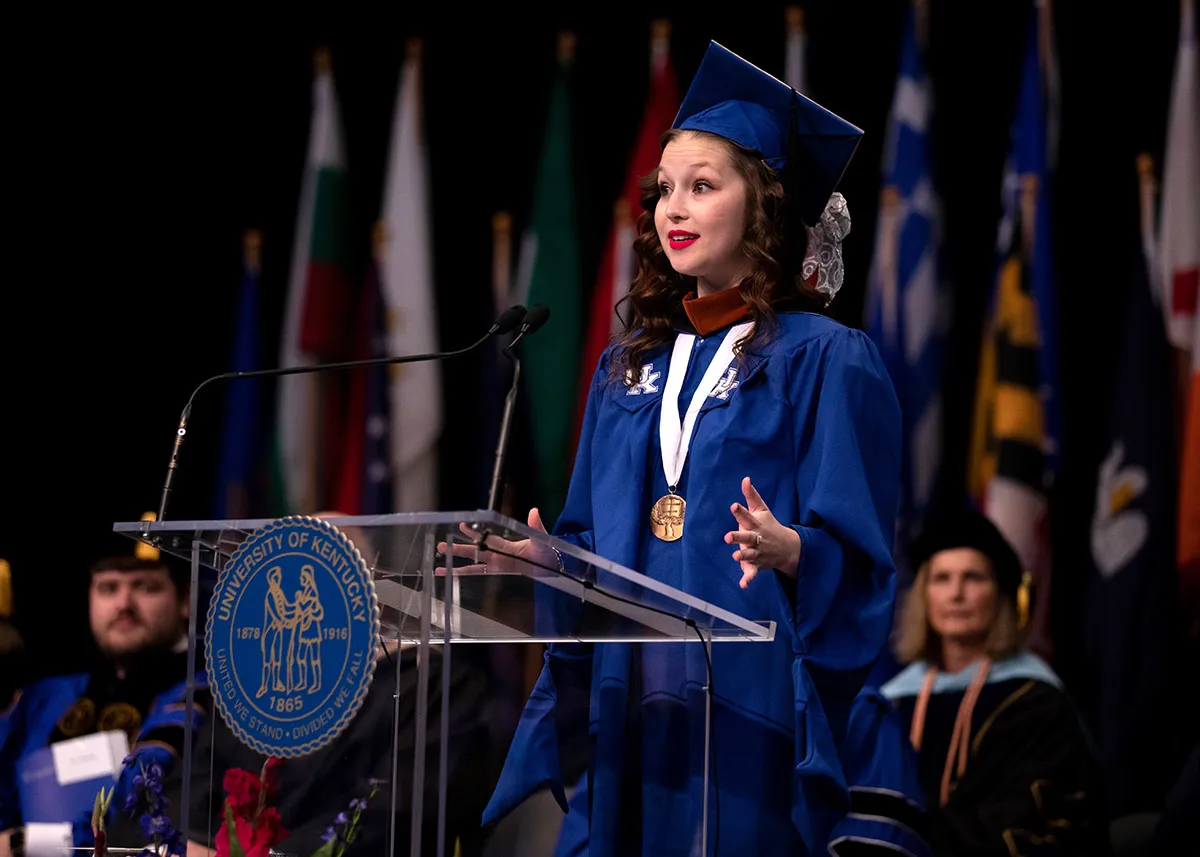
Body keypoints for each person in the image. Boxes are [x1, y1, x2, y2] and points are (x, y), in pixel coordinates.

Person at [449, 41, 903, 856]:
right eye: (665, 190)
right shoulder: (626, 371)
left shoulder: (826, 358)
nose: (674, 210)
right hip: (632, 701)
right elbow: (598, 541)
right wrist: (549, 561)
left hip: (748, 713)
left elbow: (864, 563)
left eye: (702, 186)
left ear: (763, 207)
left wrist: (795, 547)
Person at [880, 506, 1110, 855]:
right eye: (942, 579)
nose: (956, 594)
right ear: (924, 596)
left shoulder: (1034, 700)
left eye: (973, 578)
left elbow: (1050, 823)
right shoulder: (893, 701)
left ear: (1000, 594)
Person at [0, 545, 207, 857]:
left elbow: (140, 821)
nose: (124, 604)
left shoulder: (204, 697)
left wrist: (26, 845)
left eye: (145, 587)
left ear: (185, 600)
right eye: (108, 588)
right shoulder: (44, 698)